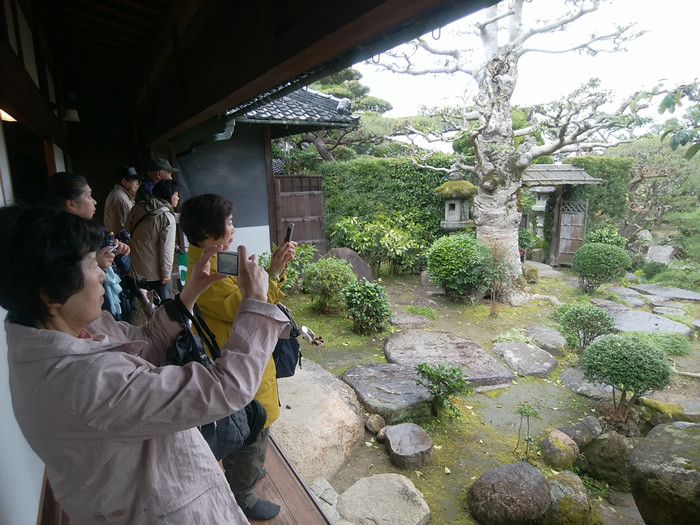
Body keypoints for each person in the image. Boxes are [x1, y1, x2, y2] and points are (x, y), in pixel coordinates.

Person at [0, 204, 290, 524]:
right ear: (50, 293)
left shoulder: (59, 330)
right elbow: (226, 389)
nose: (103, 273)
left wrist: (190, 292)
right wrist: (256, 300)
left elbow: (143, 341)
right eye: (91, 263)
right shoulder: (85, 382)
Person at [180, 193, 297, 521]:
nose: (233, 228)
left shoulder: (213, 259)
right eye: (229, 222)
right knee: (253, 430)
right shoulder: (209, 273)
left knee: (248, 428)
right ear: (207, 231)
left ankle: (247, 469)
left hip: (240, 362)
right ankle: (242, 494)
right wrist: (273, 273)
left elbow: (251, 297)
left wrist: (271, 272)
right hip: (243, 369)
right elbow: (253, 309)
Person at [45, 172, 131, 318]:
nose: (94, 201)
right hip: (81, 312)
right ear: (71, 204)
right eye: (89, 195)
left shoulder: (94, 231)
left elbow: (119, 269)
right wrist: (97, 263)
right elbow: (63, 283)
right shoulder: (58, 239)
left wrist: (116, 251)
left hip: (104, 303)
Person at [125, 179, 179, 301]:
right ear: (169, 195)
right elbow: (166, 249)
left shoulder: (137, 209)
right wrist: (166, 273)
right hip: (154, 274)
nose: (178, 198)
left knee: (137, 306)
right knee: (161, 307)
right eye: (176, 194)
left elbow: (126, 234)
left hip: (133, 270)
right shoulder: (167, 218)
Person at [104, 165, 142, 233]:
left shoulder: (123, 195)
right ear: (124, 181)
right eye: (134, 180)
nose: (137, 183)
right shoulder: (120, 198)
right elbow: (120, 229)